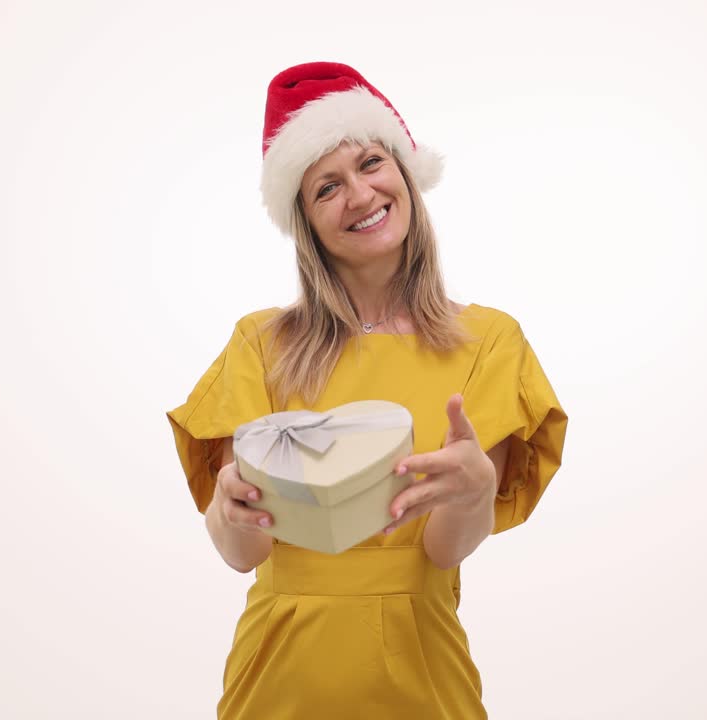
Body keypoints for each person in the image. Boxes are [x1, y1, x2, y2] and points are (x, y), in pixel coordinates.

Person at [165, 61, 569, 719]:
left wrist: (473, 492)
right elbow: (243, 553)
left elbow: (443, 548)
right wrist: (228, 508)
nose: (359, 194)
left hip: (422, 678)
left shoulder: (489, 341)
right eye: (326, 187)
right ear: (305, 221)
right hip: (276, 682)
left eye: (371, 163)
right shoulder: (259, 344)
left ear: (406, 174)